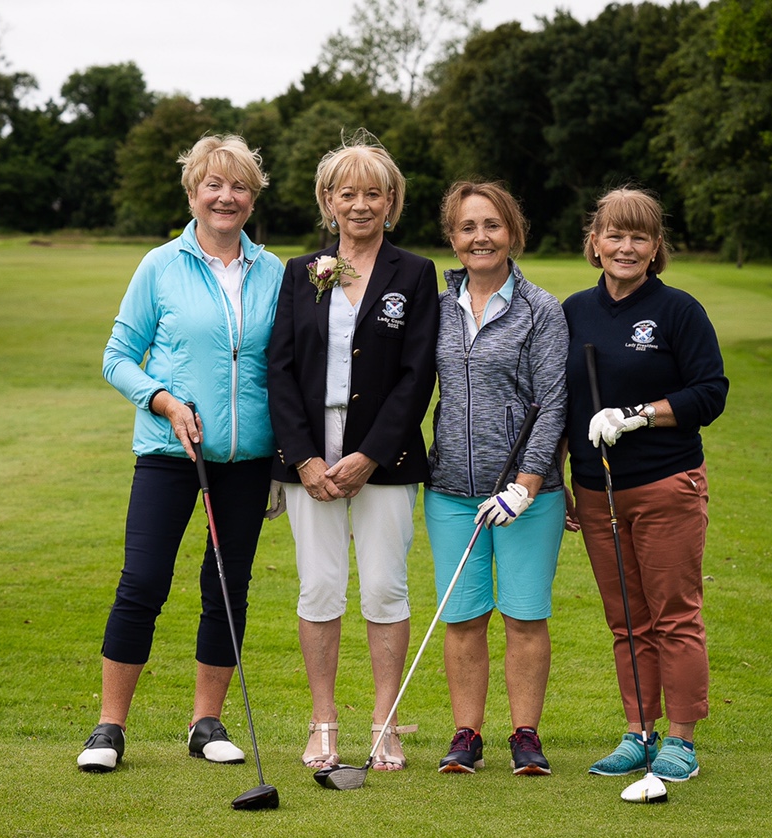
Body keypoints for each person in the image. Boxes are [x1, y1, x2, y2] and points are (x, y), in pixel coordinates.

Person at [77, 134, 284, 773]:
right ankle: (110, 727)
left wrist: (285, 456)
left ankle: (206, 722)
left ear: (253, 198)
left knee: (226, 585)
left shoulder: (274, 272)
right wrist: (164, 400)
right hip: (171, 449)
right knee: (143, 581)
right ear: (193, 193)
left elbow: (287, 366)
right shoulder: (160, 266)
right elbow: (117, 357)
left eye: (239, 186)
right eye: (213, 185)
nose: (226, 196)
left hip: (247, 458)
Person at [267, 132, 439, 771]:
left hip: (384, 460)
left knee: (386, 589)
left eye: (373, 193)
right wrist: (304, 458)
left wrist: (370, 454)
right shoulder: (300, 271)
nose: (360, 205)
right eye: (347, 193)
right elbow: (279, 371)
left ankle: (385, 724)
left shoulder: (414, 273)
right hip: (310, 459)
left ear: (391, 202)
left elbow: (417, 375)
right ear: (328, 201)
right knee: (319, 588)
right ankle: (323, 723)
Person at [562, 186, 728, 783]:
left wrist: (639, 415)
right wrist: (558, 477)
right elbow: (560, 401)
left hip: (664, 484)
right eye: (615, 234)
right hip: (596, 491)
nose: (626, 247)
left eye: (640, 236)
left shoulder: (679, 310)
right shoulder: (574, 311)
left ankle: (681, 739)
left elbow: (710, 393)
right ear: (595, 242)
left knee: (674, 616)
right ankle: (639, 732)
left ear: (656, 247)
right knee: (626, 621)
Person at [426, 181, 568, 775]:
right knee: (462, 617)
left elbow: (553, 403)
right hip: (450, 491)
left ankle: (525, 734)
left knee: (524, 615)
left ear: (513, 232)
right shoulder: (437, 306)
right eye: (467, 227)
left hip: (527, 496)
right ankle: (467, 735)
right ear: (452, 238)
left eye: (492, 225)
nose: (480, 237)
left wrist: (526, 484)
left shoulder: (541, 309)